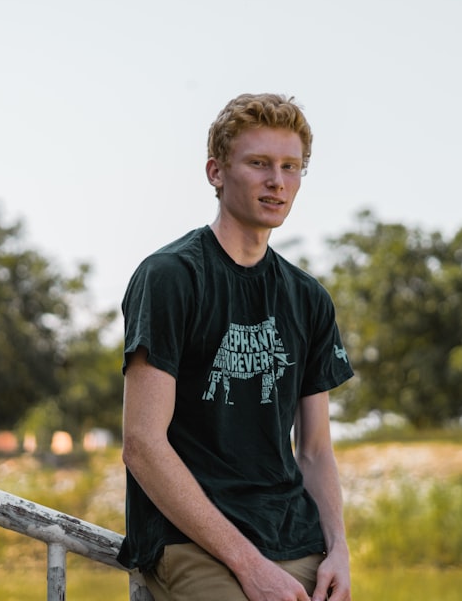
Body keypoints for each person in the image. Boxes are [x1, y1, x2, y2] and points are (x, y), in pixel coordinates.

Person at [117, 93, 354, 601]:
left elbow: (314, 450)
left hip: (295, 537)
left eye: (291, 167)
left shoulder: (308, 298)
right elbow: (142, 445)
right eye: (259, 163)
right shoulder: (170, 278)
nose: (278, 181)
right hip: (194, 541)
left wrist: (338, 550)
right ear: (216, 172)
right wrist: (248, 565)